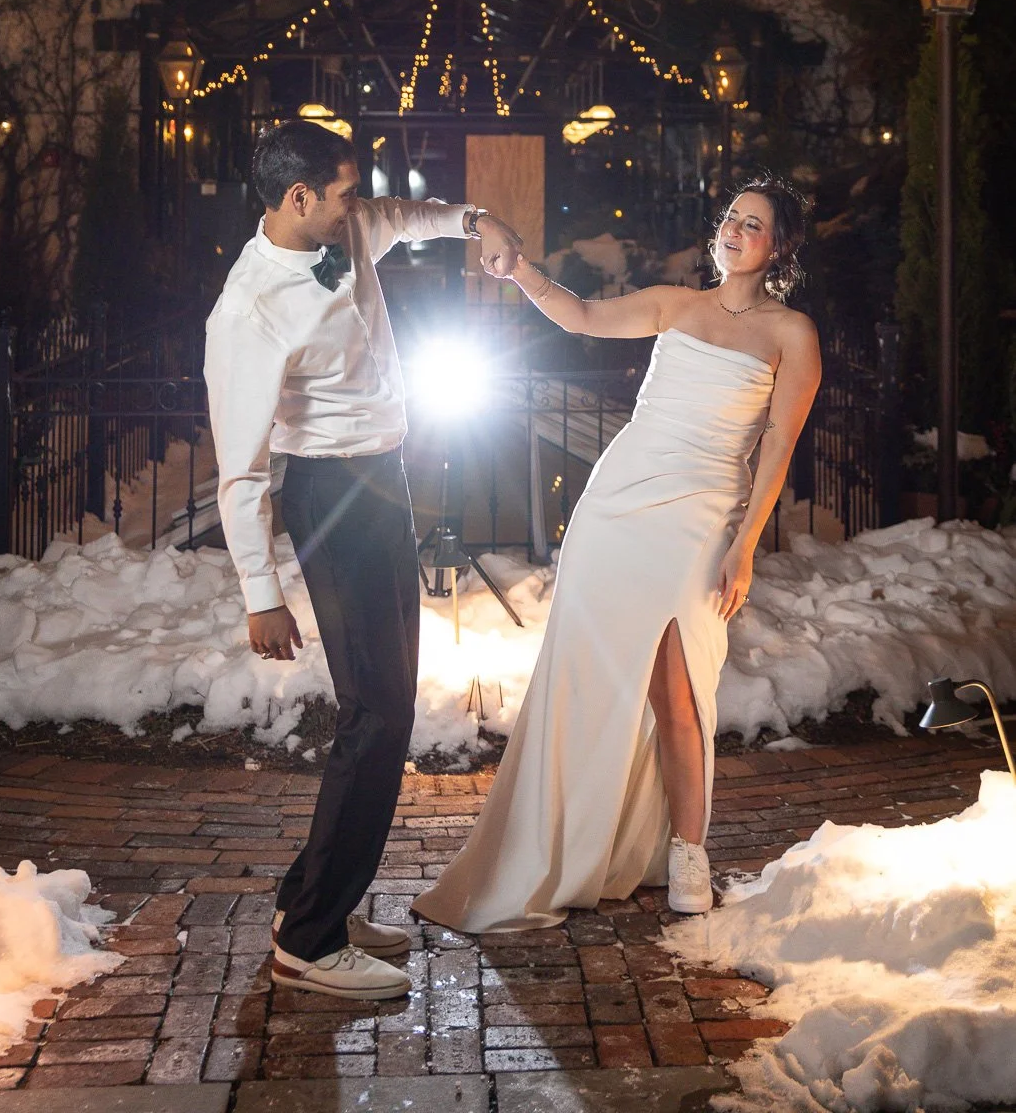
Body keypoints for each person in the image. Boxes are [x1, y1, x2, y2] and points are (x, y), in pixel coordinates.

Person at [412, 176, 821, 933]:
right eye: (730, 217)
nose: (732, 231)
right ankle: (568, 845)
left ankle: (687, 851)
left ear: (780, 245)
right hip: (616, 507)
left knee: (678, 689)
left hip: (700, 519)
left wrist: (745, 545)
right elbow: (580, 315)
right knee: (586, 683)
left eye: (752, 225)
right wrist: (520, 272)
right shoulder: (675, 302)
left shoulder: (790, 334)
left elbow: (778, 449)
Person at [204, 119, 521, 998]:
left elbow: (415, 216)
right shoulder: (247, 310)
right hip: (329, 498)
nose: (361, 204)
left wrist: (476, 221)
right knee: (374, 716)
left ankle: (314, 900)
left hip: (382, 482)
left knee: (385, 706)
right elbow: (240, 470)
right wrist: (260, 594)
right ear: (298, 198)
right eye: (346, 191)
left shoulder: (346, 228)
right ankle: (308, 940)